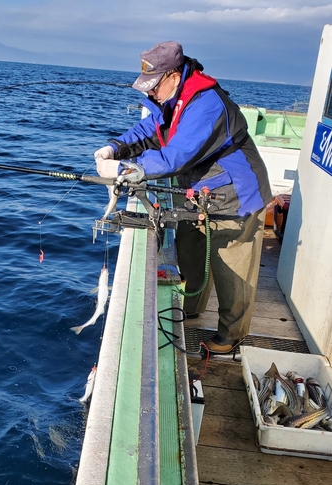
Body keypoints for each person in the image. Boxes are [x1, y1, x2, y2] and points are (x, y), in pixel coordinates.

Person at [94, 41, 273, 354]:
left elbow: (175, 158)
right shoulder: (172, 99)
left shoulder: (207, 104)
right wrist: (116, 147)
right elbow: (150, 129)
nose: (149, 93)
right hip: (199, 192)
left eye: (154, 87)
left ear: (174, 77)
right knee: (190, 249)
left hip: (236, 196)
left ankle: (232, 336)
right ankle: (190, 308)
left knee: (233, 269)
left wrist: (122, 168)